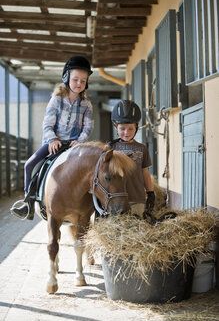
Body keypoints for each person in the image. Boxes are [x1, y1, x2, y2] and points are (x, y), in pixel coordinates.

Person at [10, 55, 94, 220]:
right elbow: (47, 124)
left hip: (74, 145)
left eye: (83, 81)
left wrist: (80, 141)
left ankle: (95, 205)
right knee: (29, 165)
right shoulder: (56, 100)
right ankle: (28, 202)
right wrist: (52, 139)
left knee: (92, 169)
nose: (79, 84)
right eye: (76, 79)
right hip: (53, 144)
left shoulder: (87, 105)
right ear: (66, 78)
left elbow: (88, 127)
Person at [109, 100, 155, 216]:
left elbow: (145, 172)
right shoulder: (110, 148)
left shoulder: (141, 148)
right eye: (122, 128)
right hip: (116, 200)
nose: (126, 132)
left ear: (137, 127)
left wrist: (150, 193)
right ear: (116, 127)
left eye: (130, 128)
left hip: (137, 199)